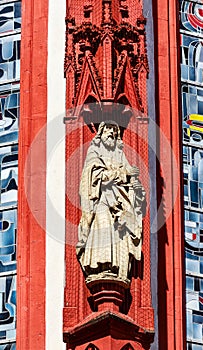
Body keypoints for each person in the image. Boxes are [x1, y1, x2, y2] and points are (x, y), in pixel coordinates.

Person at [76, 120, 146, 285]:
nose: (112, 134)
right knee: (103, 226)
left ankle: (117, 269)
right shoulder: (94, 151)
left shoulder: (119, 155)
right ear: (101, 133)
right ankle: (100, 266)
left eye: (115, 132)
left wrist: (136, 188)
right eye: (108, 131)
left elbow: (130, 182)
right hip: (101, 202)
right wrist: (123, 173)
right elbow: (94, 177)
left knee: (118, 234)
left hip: (119, 206)